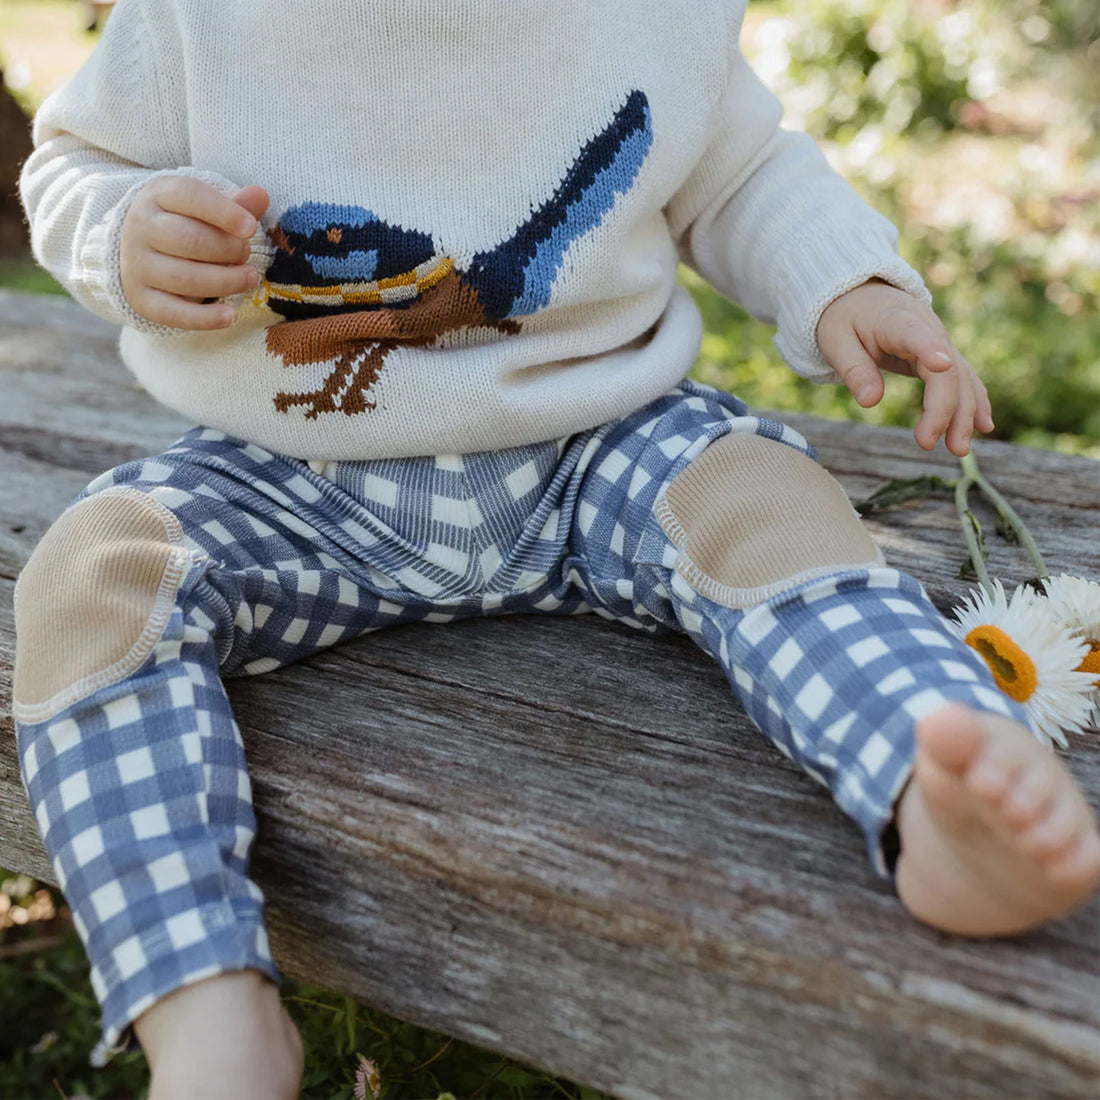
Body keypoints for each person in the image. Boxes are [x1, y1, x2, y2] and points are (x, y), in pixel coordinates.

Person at [15, 0, 1099, 1095]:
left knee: (761, 499)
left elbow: (739, 174)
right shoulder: (198, 19)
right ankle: (202, 1001)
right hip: (288, 477)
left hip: (595, 448)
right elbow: (73, 164)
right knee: (97, 578)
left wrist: (842, 279)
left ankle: (930, 769)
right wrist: (123, 230)